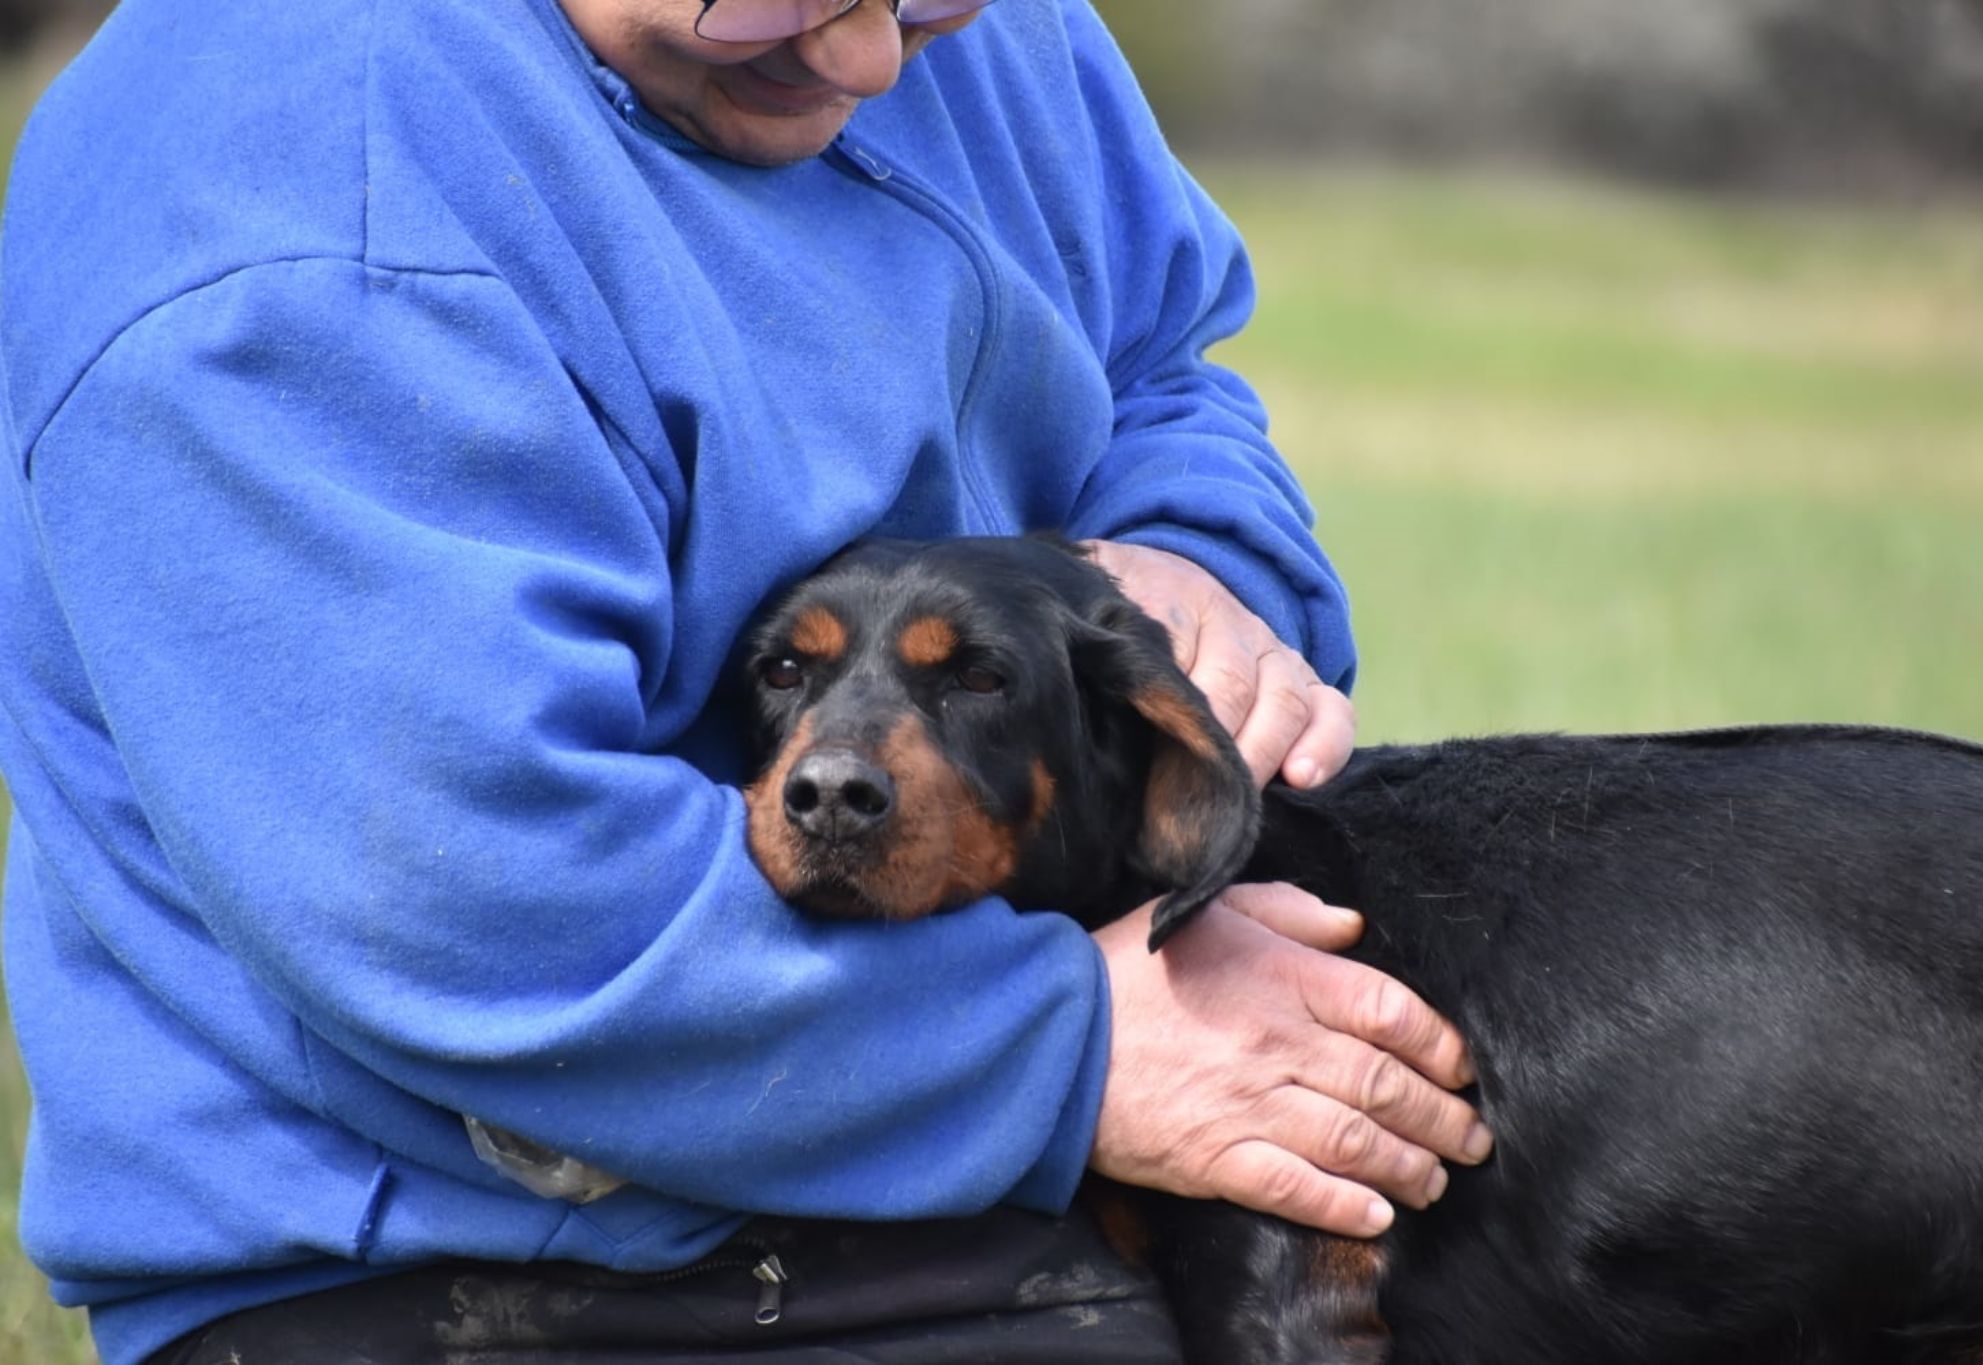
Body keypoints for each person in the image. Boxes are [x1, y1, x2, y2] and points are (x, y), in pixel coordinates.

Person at [0, 0, 1492, 1360]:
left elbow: (1157, 357)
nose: (866, 65)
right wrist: (1064, 1049)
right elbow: (480, 902)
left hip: (996, 1089)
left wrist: (1197, 556)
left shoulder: (957, 34)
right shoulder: (295, 201)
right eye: (770, 4)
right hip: (513, 1256)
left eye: (923, 6)